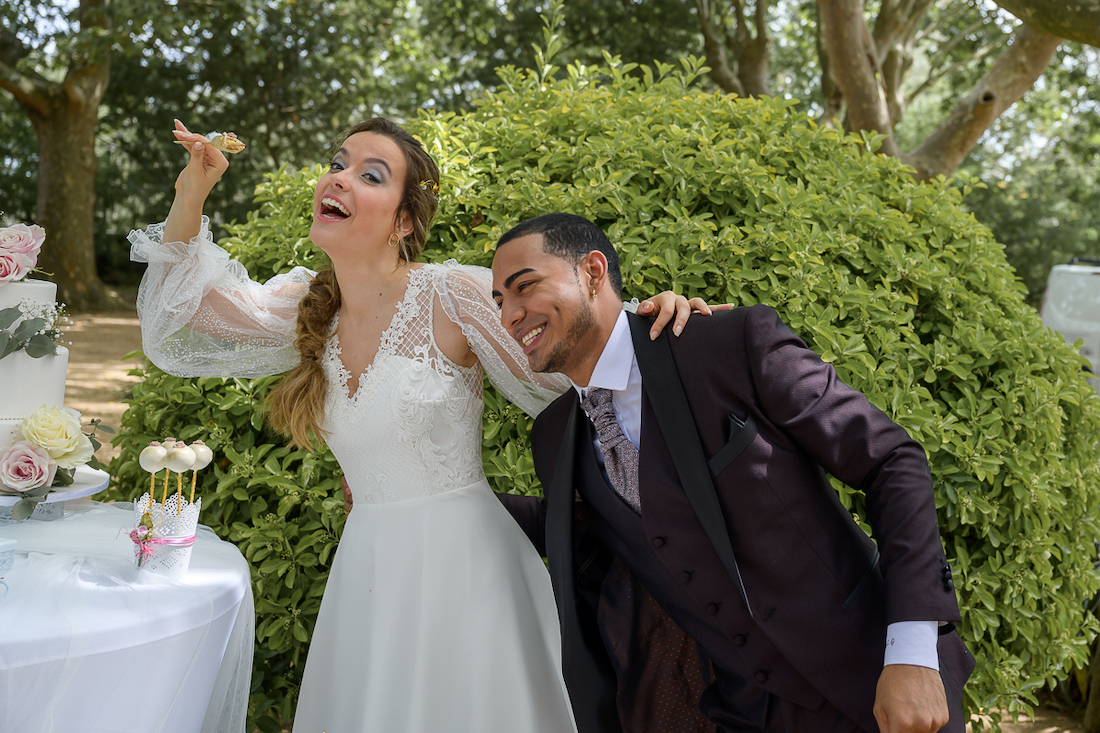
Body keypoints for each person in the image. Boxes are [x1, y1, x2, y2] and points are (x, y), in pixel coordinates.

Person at [130, 119, 710, 732]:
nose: (340, 177)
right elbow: (176, 314)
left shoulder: (452, 294)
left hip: (469, 572)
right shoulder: (309, 311)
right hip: (369, 575)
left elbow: (577, 367)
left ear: (404, 222)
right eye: (339, 163)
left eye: (370, 174)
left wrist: (658, 326)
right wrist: (191, 190)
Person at [490, 213, 976, 733]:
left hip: (875, 679)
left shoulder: (725, 344)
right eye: (499, 302)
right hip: (743, 709)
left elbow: (890, 461)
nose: (511, 315)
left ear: (591, 272)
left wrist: (913, 650)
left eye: (525, 287)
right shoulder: (553, 437)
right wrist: (431, 496)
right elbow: (583, 533)